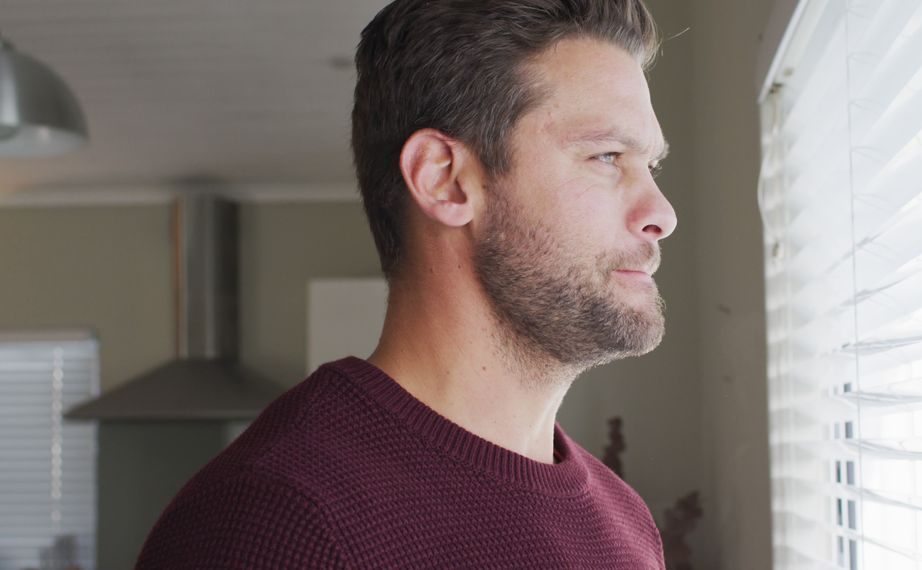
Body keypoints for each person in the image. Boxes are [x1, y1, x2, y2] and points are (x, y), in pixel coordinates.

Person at [135, 0, 677, 567]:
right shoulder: (277, 520)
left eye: (652, 167)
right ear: (445, 181)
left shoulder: (625, 521)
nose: (661, 212)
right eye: (607, 156)